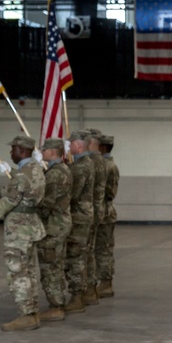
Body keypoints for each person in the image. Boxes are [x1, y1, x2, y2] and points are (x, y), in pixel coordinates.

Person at [0, 135, 46, 331]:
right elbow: (16, 193)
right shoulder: (35, 170)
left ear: (21, 150)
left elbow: (10, 201)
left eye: (13, 149)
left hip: (19, 231)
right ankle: (32, 312)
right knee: (28, 271)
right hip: (31, 227)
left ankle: (26, 316)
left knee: (18, 272)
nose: (10, 153)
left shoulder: (22, 175)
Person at [35, 139, 73, 322]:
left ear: (52, 152)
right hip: (62, 223)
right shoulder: (64, 169)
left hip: (53, 225)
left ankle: (55, 307)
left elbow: (47, 202)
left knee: (50, 268)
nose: (42, 151)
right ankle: (59, 302)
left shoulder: (54, 174)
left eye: (44, 149)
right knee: (57, 264)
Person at [64, 130, 96, 314]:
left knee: (75, 258)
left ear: (78, 145)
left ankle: (76, 298)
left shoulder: (80, 167)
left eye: (70, 144)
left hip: (78, 217)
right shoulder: (85, 163)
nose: (68, 147)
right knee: (84, 255)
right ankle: (86, 292)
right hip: (85, 215)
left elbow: (72, 194)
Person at [83, 129, 108, 306]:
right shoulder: (101, 160)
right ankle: (90, 289)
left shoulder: (92, 161)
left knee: (86, 252)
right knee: (91, 251)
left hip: (87, 210)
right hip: (95, 209)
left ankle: (88, 289)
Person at [96, 135, 119, 298]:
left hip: (103, 211)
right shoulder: (110, 164)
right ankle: (105, 282)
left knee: (103, 249)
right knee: (104, 248)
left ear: (103, 148)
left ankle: (105, 283)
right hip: (106, 210)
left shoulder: (104, 166)